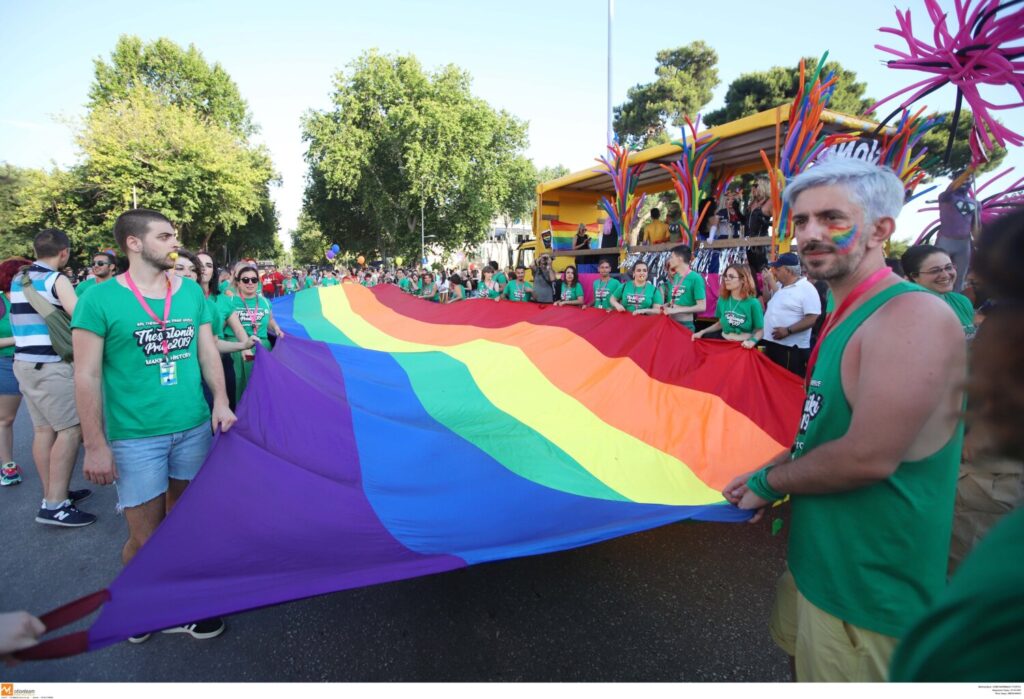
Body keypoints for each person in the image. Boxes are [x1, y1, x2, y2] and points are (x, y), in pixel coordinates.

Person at [722, 159, 966, 682]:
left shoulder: (910, 315)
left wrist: (769, 482)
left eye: (831, 218)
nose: (810, 234)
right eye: (801, 220)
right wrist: (772, 473)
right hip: (817, 568)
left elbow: (866, 457)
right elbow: (824, 432)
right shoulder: (842, 311)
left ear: (881, 230)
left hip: (869, 597)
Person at [72, 209, 236, 642]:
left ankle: (161, 601)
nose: (174, 244)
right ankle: (138, 600)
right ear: (134, 243)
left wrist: (220, 400)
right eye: (164, 236)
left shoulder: (189, 294)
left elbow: (206, 352)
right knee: (146, 538)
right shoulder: (98, 299)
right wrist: (94, 444)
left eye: (175, 236)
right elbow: (85, 375)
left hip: (194, 428)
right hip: (135, 439)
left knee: (181, 525)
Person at [889, 207, 1024, 683]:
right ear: (912, 279)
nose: (949, 273)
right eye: (937, 269)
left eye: (952, 267)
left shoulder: (965, 308)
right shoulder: (911, 313)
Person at [10, 229, 94, 526]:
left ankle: (53, 493)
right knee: (70, 431)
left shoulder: (19, 279)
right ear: (64, 252)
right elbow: (80, 315)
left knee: (44, 431)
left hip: (24, 363)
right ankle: (55, 505)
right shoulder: (55, 280)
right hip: (52, 365)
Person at [220, 263, 284, 402]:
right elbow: (220, 329)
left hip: (263, 350)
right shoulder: (229, 301)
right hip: (237, 351)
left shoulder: (265, 302)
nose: (250, 283)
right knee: (240, 390)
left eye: (254, 280)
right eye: (245, 280)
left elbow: (270, 319)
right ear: (238, 282)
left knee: (262, 391)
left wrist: (277, 328)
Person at [760, 252, 821, 376]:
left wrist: (788, 330)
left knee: (786, 383)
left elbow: (813, 318)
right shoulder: (780, 286)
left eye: (777, 269)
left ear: (788, 271)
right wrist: (766, 283)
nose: (774, 272)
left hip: (790, 349)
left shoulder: (806, 289)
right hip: (773, 344)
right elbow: (766, 299)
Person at [901, 244, 976, 340]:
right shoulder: (908, 310)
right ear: (914, 276)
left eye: (949, 267)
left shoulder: (961, 301)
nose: (945, 275)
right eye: (935, 271)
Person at [0, 258, 29, 487]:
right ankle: (8, 466)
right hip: (6, 363)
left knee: (49, 422)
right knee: (5, 419)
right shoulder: (1, 302)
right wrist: (20, 339)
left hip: (38, 361)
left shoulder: (34, 297)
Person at [692, 264, 763, 348]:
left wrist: (752, 341)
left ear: (743, 280)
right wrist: (702, 332)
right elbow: (720, 323)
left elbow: (760, 331)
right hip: (723, 344)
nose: (726, 279)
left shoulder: (753, 303)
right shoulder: (722, 300)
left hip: (743, 346)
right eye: (725, 276)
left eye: (731, 277)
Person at [654, 244, 706, 330]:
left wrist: (676, 310)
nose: (669, 260)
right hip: (670, 323)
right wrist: (667, 305)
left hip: (685, 326)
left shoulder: (696, 278)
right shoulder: (676, 277)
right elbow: (677, 300)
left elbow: (702, 307)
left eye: (671, 257)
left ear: (679, 259)